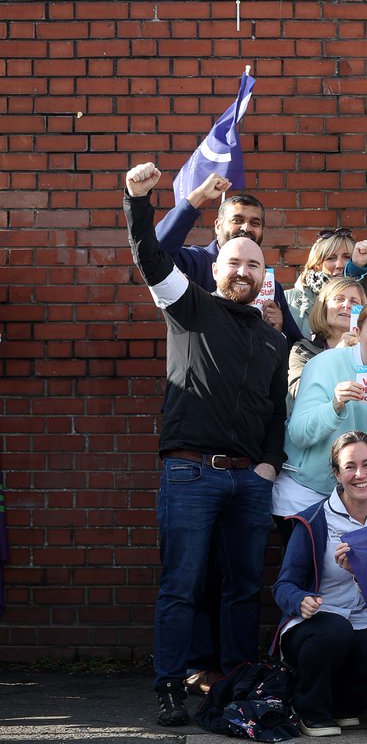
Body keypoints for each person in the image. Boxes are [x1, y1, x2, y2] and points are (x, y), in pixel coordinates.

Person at [124, 162, 288, 727]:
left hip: (249, 481)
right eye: (235, 262)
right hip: (190, 473)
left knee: (244, 588)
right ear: (216, 266)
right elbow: (149, 256)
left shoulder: (272, 337)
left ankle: (239, 681)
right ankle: (169, 684)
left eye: (254, 265)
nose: (243, 271)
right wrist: (137, 202)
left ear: (264, 277)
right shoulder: (189, 307)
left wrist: (267, 466)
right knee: (182, 583)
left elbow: (276, 412)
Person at [272, 431, 367, 736]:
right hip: (316, 624)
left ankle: (346, 704)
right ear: (336, 473)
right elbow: (283, 585)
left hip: (364, 618)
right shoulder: (314, 519)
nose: (360, 474)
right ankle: (309, 708)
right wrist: (301, 600)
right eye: (349, 466)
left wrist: (360, 572)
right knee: (335, 631)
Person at [275, 298, 367, 518]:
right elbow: (299, 433)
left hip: (355, 501)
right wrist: (335, 405)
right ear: (357, 332)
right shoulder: (324, 363)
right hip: (302, 492)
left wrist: (365, 497)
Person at [153, 172, 299, 341]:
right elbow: (157, 250)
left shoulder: (268, 282)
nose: (246, 228)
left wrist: (279, 332)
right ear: (218, 225)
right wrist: (199, 196)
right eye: (237, 220)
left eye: (255, 223)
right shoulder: (196, 262)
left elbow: (293, 347)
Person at [286, 229, 367, 340]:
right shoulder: (289, 300)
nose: (339, 264)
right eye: (331, 258)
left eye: (347, 257)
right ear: (316, 265)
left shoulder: (365, 296)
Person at [288, 276, 366, 404]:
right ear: (323, 307)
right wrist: (335, 356)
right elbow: (298, 392)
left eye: (354, 302)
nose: (346, 305)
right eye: (339, 299)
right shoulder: (302, 350)